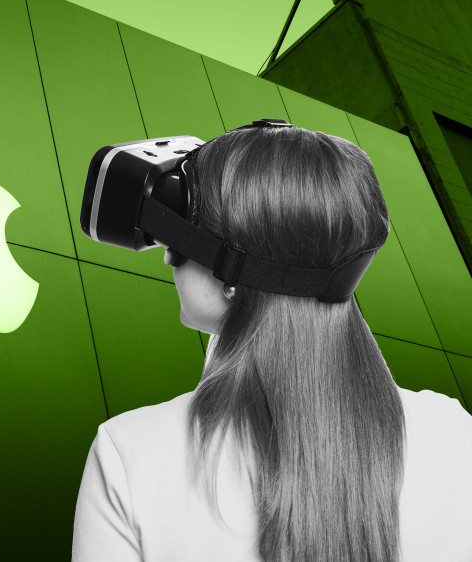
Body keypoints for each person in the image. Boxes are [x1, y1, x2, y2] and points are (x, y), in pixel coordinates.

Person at [71, 125, 472, 561]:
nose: (167, 255)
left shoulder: (132, 457)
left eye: (183, 232)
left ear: (230, 276)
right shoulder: (451, 432)